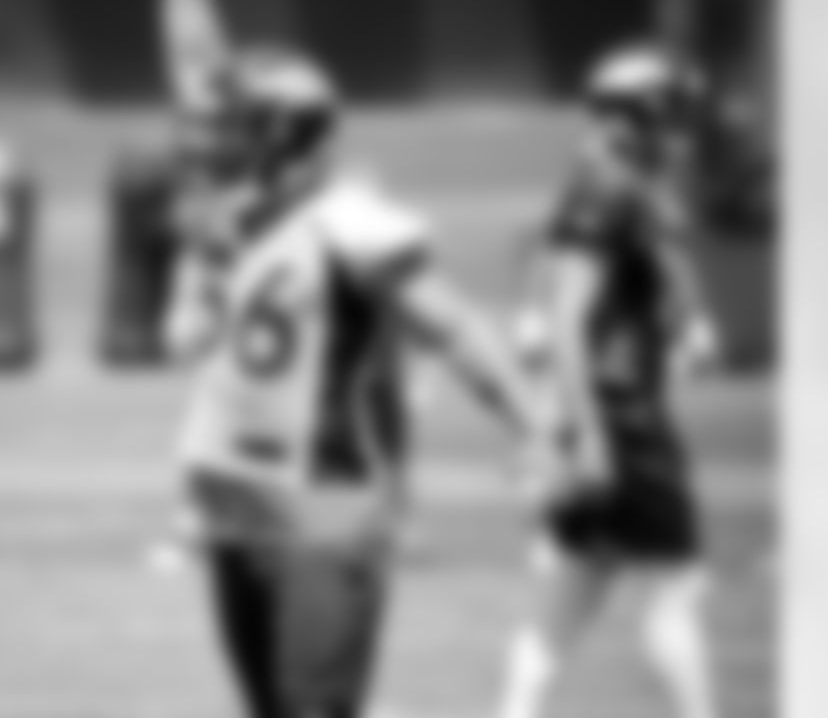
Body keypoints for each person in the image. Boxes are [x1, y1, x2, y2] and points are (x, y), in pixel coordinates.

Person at [162, 47, 546, 718]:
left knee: (314, 709)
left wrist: (536, 426)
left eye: (237, 128)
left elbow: (454, 327)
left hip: (323, 505)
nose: (218, 146)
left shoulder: (350, 222)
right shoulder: (229, 225)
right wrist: (202, 278)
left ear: (285, 136)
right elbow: (185, 340)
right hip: (237, 504)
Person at [496, 44, 723, 718]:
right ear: (638, 113)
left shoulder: (614, 180)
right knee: (675, 590)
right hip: (621, 420)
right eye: (670, 111)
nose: (679, 128)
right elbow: (568, 318)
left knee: (566, 596)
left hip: (604, 414)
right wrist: (591, 435)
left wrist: (680, 323)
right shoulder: (608, 183)